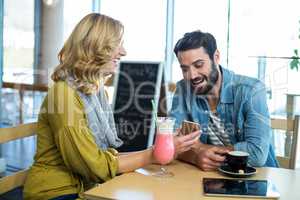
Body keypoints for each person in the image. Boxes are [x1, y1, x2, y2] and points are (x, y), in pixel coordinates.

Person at [23, 13, 199, 200]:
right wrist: (155, 154)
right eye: (117, 44)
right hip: (55, 192)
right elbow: (92, 165)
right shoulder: (63, 94)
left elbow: (105, 157)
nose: (123, 52)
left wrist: (157, 151)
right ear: (95, 47)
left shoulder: (95, 92)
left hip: (88, 188)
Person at [170, 30, 278, 171]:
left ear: (216, 57)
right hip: (208, 178)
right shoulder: (183, 88)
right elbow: (173, 144)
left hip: (256, 178)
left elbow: (257, 155)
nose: (192, 75)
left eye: (198, 65)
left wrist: (201, 148)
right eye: (185, 69)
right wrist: (196, 157)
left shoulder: (251, 90)